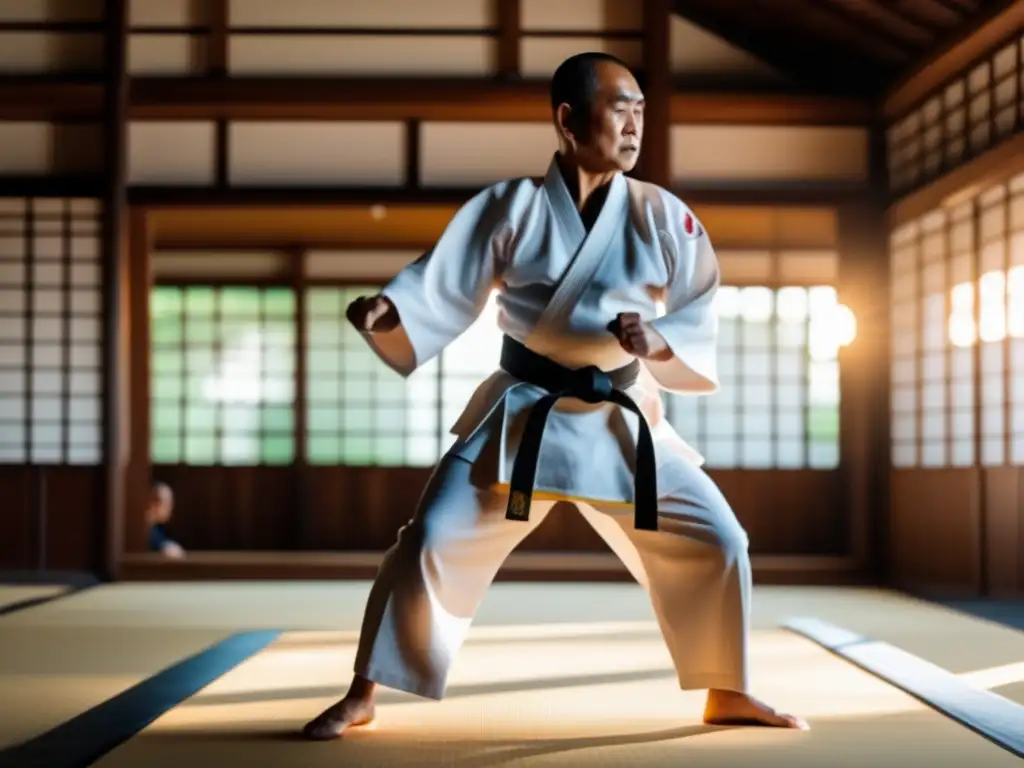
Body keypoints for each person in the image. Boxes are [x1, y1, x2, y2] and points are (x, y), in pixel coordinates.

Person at [303, 52, 807, 740]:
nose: (634, 124)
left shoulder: (663, 214)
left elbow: (702, 303)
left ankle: (728, 690)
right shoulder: (510, 207)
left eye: (640, 110)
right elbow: (442, 284)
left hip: (622, 420)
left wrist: (658, 342)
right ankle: (364, 693)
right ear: (568, 120)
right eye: (618, 108)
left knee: (719, 539)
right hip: (523, 414)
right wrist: (392, 312)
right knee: (428, 539)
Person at [146, 482, 185, 559]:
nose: (170, 509)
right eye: (168, 504)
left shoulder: (157, 529)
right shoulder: (143, 529)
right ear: (155, 503)